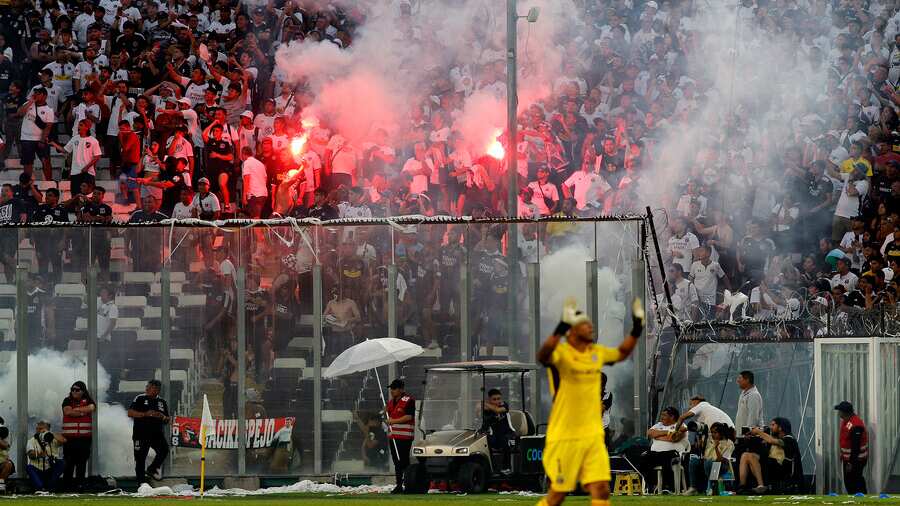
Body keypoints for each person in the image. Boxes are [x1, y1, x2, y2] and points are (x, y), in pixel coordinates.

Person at [535, 297, 644, 506]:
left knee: (601, 490)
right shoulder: (562, 353)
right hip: (566, 434)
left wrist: (637, 328)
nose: (590, 327)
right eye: (585, 325)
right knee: (558, 494)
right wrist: (561, 326)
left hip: (593, 435)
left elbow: (622, 352)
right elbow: (542, 356)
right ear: (573, 331)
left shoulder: (595, 353)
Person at [739, 417, 802, 494]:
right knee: (745, 455)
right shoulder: (772, 438)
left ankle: (761, 486)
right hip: (770, 466)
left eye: (773, 425)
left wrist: (759, 432)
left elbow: (772, 441)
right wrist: (750, 437)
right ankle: (742, 486)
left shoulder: (789, 439)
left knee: (752, 457)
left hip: (781, 468)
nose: (771, 427)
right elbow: (762, 450)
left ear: (780, 427)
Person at [127, 379, 170, 483]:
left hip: (156, 434)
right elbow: (130, 413)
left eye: (150, 388)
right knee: (140, 459)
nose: (147, 389)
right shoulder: (140, 398)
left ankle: (152, 469)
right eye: (147, 386)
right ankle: (141, 484)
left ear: (157, 390)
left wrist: (162, 417)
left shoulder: (162, 402)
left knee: (164, 450)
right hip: (141, 434)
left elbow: (167, 419)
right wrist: (145, 414)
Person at [641, 406, 689, 494]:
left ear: (672, 417)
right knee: (643, 458)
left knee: (667, 459)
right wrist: (668, 432)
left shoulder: (681, 426)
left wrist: (658, 436)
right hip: (655, 453)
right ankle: (652, 485)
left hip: (673, 454)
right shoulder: (658, 425)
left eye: (664, 415)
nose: (661, 417)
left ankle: (667, 487)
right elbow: (650, 433)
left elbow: (674, 438)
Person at [61, 381, 95, 491]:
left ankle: (80, 485)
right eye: (72, 389)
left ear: (83, 391)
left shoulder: (88, 400)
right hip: (69, 439)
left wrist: (76, 410)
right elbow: (68, 412)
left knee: (82, 463)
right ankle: (67, 486)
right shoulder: (67, 400)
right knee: (68, 463)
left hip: (84, 438)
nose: (74, 392)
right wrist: (82, 412)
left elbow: (91, 408)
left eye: (77, 390)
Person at [685, 422, 735, 496]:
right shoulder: (709, 440)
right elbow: (704, 454)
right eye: (711, 432)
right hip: (707, 463)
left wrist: (716, 447)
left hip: (722, 465)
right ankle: (693, 488)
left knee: (710, 463)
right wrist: (700, 443)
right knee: (694, 461)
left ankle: (711, 486)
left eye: (715, 432)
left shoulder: (729, 443)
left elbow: (721, 459)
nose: (713, 434)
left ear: (721, 433)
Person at [385, 378, 415, 494]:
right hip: (393, 437)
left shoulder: (409, 401)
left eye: (394, 388)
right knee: (396, 462)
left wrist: (393, 421)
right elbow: (387, 415)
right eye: (391, 388)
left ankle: (408, 484)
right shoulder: (390, 402)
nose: (392, 390)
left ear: (401, 389)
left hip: (405, 437)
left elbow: (409, 417)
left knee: (403, 461)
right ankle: (398, 485)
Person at [835, 401, 868, 494]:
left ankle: (862, 499)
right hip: (849, 459)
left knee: (855, 483)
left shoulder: (856, 424)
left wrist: (851, 463)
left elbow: (855, 447)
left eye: (840, 411)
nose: (838, 413)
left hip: (856, 460)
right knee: (850, 482)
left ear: (845, 412)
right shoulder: (847, 421)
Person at [481, 388, 516, 475]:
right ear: (489, 400)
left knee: (505, 440)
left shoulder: (504, 405)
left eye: (499, 399)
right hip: (496, 436)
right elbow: (478, 409)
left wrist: (484, 403)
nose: (497, 401)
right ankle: (492, 468)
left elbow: (498, 410)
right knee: (484, 442)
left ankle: (507, 467)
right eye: (494, 399)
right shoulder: (487, 411)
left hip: (509, 434)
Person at [25, 420, 66, 492]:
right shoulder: (31, 440)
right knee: (29, 467)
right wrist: (39, 455)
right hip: (38, 469)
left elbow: (64, 441)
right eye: (37, 429)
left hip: (50, 469)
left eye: (41, 429)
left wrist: (50, 434)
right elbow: (31, 454)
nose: (39, 431)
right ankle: (40, 487)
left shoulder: (53, 439)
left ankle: (51, 485)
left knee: (61, 462)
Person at [0, 416, 13, 493]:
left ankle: (1, 484)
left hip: (2, 462)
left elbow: (5, 446)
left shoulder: (6, 433)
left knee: (8, 464)